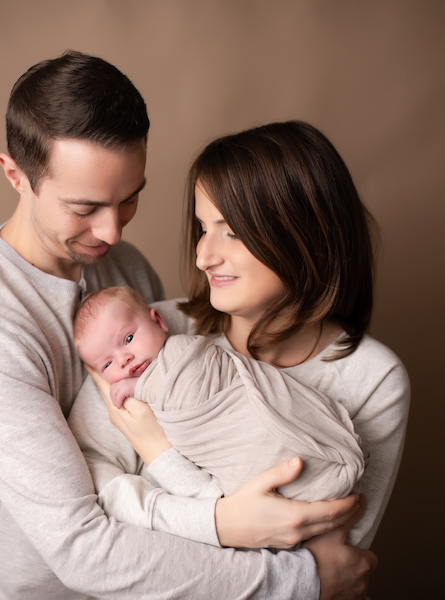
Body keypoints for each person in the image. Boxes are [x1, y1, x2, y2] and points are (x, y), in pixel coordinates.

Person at [0, 50, 374, 600]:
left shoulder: (123, 266)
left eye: (130, 197)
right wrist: (296, 577)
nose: (111, 231)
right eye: (84, 207)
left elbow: (164, 450)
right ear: (16, 175)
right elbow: (80, 548)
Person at [69, 121, 409, 560]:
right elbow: (89, 494)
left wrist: (155, 451)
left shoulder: (372, 378)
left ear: (305, 234)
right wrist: (221, 521)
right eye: (202, 228)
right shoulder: (149, 335)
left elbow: (323, 569)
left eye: (231, 231)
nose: (203, 256)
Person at [73, 286, 367, 503]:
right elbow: (96, 483)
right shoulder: (108, 401)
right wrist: (222, 516)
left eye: (128, 339)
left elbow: (184, 383)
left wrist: (140, 388)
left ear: (159, 321)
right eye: (107, 364)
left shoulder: (184, 352)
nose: (123, 359)